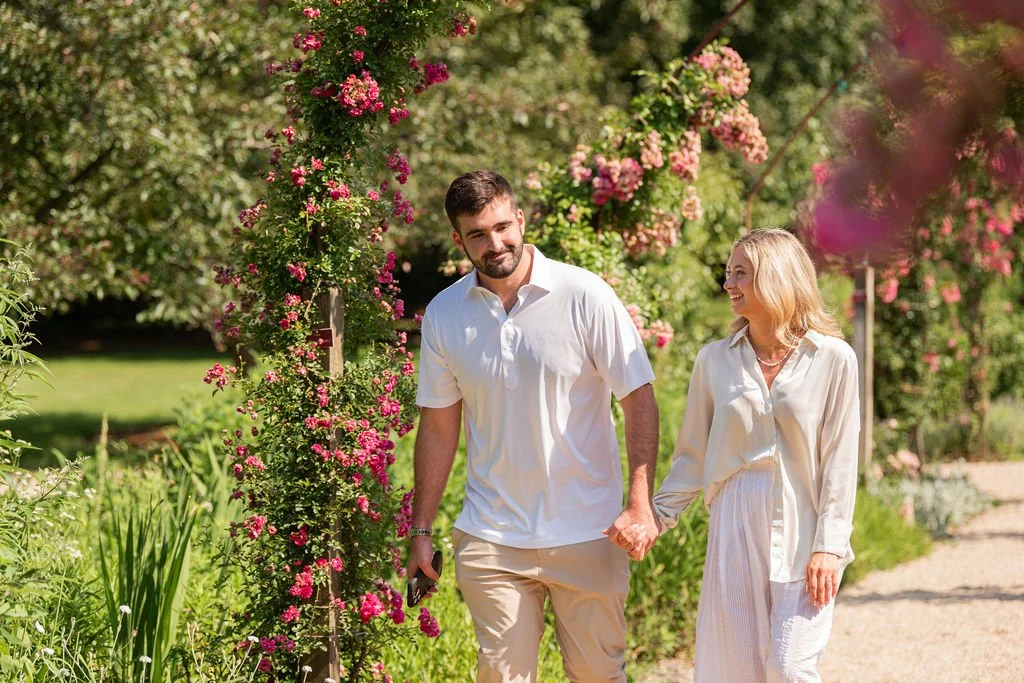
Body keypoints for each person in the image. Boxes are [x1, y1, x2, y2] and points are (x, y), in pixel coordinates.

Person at [406, 170, 660, 683]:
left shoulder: (584, 294)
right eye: (477, 234)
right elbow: (437, 427)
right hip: (493, 535)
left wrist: (639, 502)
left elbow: (638, 397)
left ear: (521, 219)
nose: (494, 242)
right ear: (459, 239)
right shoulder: (444, 314)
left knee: (597, 675)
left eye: (502, 226)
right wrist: (421, 529)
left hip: (590, 531)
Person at [613, 228, 860, 682]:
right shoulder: (713, 361)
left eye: (741, 273)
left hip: (804, 526)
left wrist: (829, 544)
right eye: (729, 272)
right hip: (734, 522)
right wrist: (655, 518)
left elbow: (841, 463)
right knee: (734, 670)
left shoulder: (834, 359)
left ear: (778, 277)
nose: (728, 283)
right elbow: (692, 456)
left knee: (790, 667)